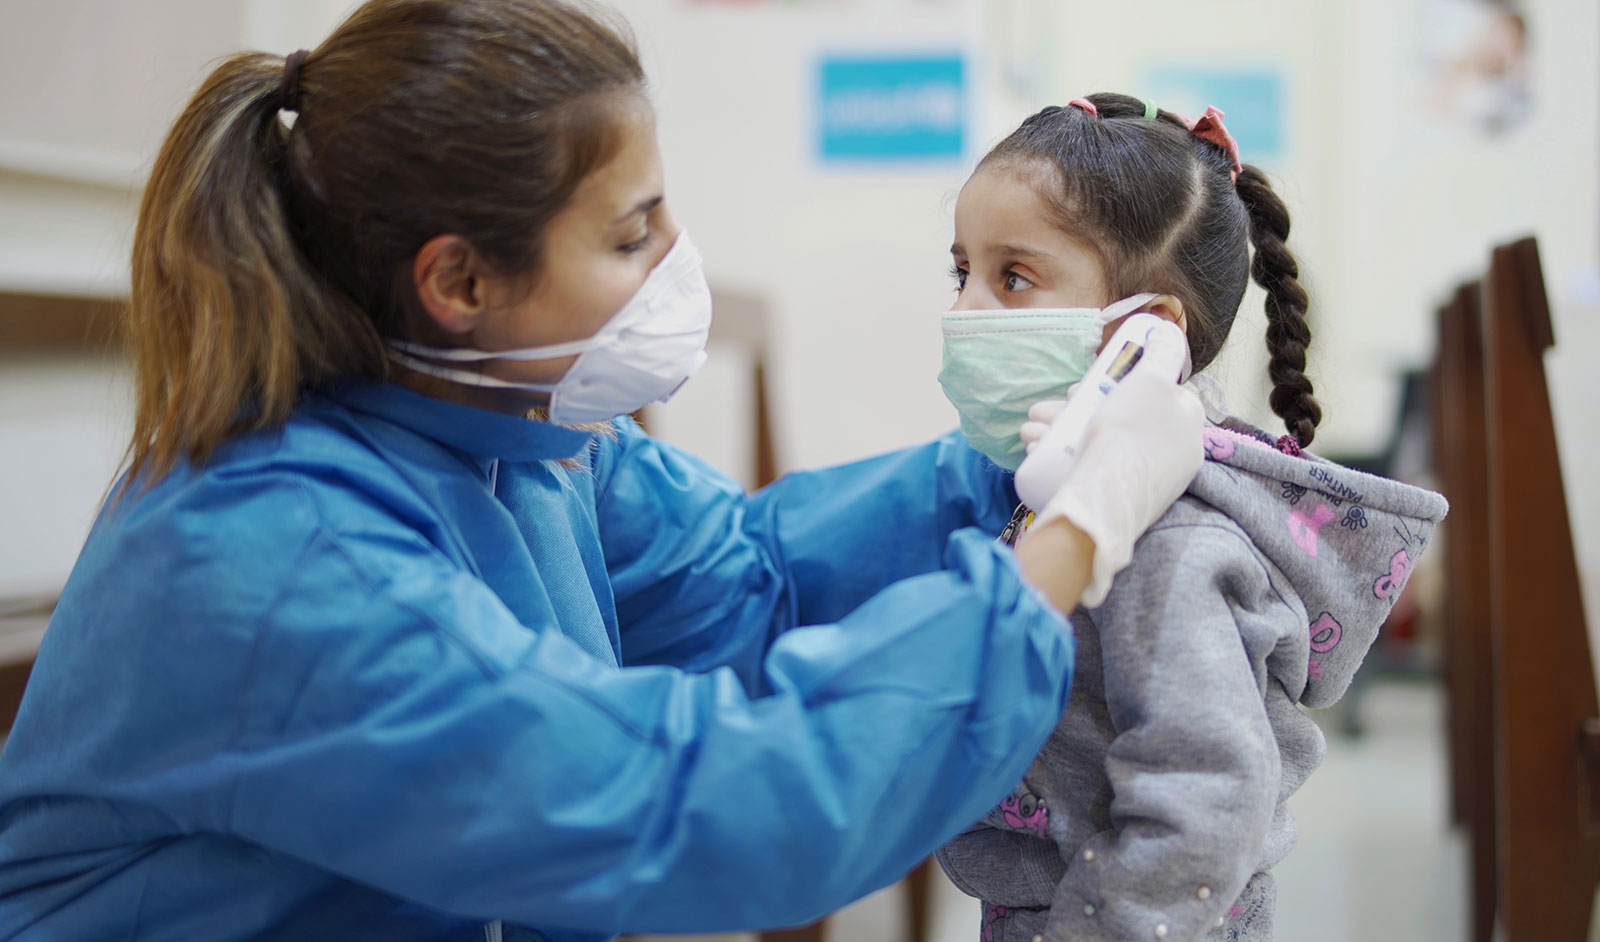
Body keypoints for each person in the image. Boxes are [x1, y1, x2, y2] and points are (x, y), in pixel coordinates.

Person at [0, 8, 1206, 941]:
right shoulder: (271, 565)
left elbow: (754, 580)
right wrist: (1074, 537)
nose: (676, 262)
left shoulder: (513, 435)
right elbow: (710, 801)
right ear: (459, 283)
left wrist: (1015, 457)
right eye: (630, 234)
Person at [931, 94, 1449, 942]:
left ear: (1143, 338)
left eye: (1012, 277)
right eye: (962, 273)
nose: (965, 314)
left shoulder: (1169, 545)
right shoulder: (1040, 501)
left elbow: (1203, 797)